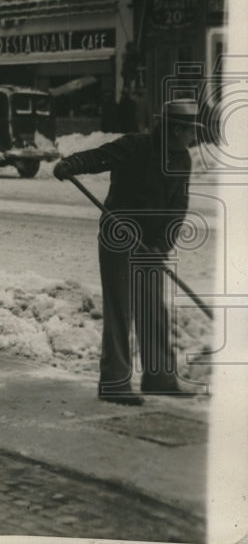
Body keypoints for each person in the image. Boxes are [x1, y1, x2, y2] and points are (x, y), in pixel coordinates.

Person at [53, 99, 204, 406]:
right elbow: (99, 157)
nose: (193, 137)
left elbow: (178, 208)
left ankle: (159, 377)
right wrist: (71, 164)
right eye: (190, 130)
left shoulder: (182, 160)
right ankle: (114, 382)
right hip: (119, 236)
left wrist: (162, 245)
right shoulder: (134, 147)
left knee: (153, 309)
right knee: (121, 309)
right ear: (175, 129)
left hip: (151, 244)